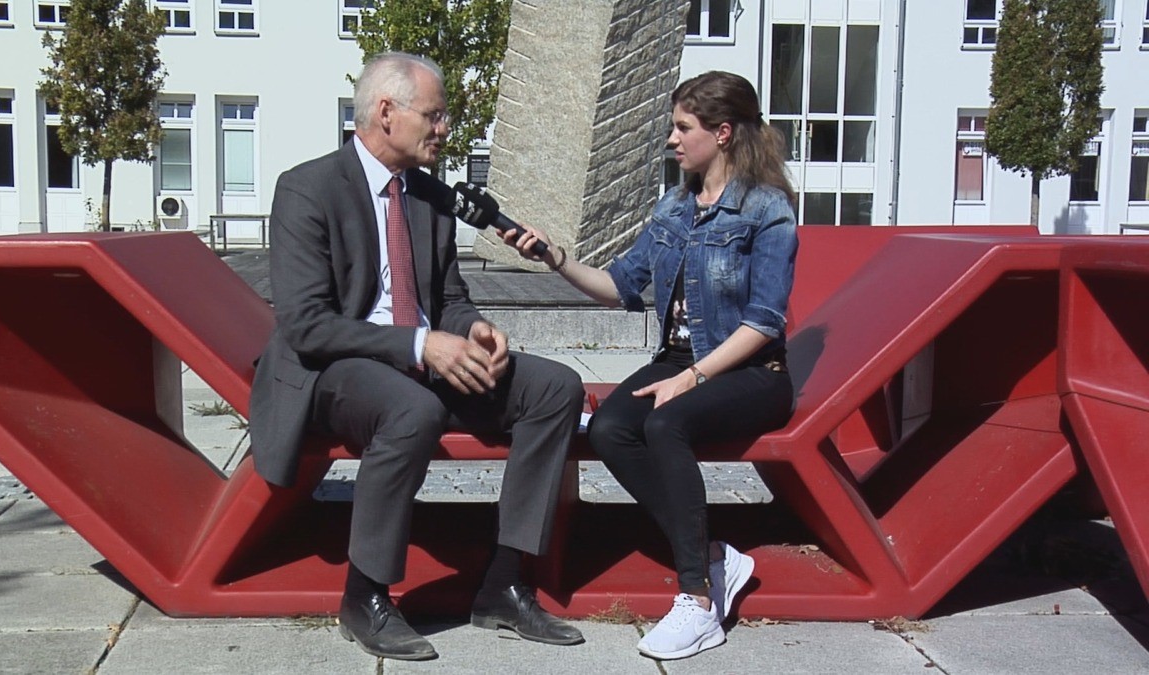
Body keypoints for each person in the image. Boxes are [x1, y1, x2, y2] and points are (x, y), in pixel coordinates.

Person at [248, 52, 585, 661]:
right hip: (335, 370)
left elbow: (447, 298)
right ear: (386, 113)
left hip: (421, 364)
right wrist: (419, 343)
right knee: (412, 410)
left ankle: (504, 583)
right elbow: (306, 325)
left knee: (554, 388)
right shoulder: (308, 188)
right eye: (434, 115)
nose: (445, 128)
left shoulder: (428, 195)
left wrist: (474, 329)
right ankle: (365, 596)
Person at [504, 71, 797, 660]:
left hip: (752, 372)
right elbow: (619, 285)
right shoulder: (675, 208)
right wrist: (554, 257)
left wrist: (692, 378)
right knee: (611, 428)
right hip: (679, 360)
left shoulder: (767, 210)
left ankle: (699, 600)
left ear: (722, 132)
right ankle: (713, 555)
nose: (672, 139)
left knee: (666, 423)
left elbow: (764, 322)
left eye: (683, 128)